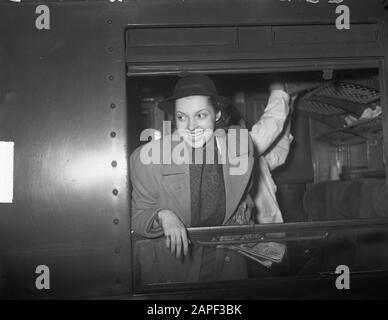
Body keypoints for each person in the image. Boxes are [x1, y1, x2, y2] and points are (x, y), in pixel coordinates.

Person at [130, 74, 290, 284]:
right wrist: (163, 215)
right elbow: (138, 216)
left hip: (227, 263)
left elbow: (244, 194)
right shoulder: (147, 158)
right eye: (181, 117)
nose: (191, 126)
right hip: (175, 267)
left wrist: (244, 208)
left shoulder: (240, 146)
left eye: (201, 115)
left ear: (216, 114)